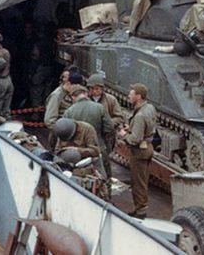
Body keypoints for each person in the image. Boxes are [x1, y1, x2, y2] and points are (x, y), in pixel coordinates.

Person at [117, 83, 156, 219]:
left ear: (138, 96)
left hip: (139, 152)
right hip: (148, 148)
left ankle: (140, 212)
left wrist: (123, 134)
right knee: (142, 180)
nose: (129, 95)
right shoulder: (149, 108)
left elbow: (135, 139)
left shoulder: (140, 116)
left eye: (131, 93)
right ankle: (141, 208)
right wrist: (132, 127)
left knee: (138, 183)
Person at [63, 84, 114, 179]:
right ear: (85, 94)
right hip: (99, 147)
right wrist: (108, 146)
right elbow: (110, 129)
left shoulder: (69, 112)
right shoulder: (99, 107)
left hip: (77, 152)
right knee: (104, 178)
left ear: (73, 97)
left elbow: (64, 132)